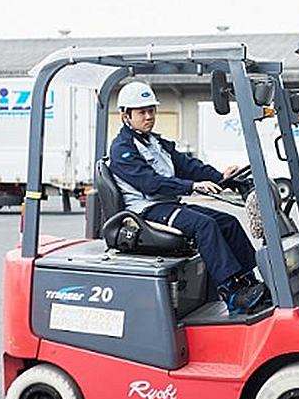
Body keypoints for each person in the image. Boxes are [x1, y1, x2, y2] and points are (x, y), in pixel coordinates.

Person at [108, 81, 269, 315]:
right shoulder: (122, 149)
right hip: (146, 211)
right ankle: (232, 292)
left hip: (167, 205)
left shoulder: (156, 142)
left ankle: (249, 283)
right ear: (125, 115)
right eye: (142, 112)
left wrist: (222, 177)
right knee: (204, 225)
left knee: (228, 222)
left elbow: (188, 165)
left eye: (151, 110)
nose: (148, 116)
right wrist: (192, 186)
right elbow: (150, 184)